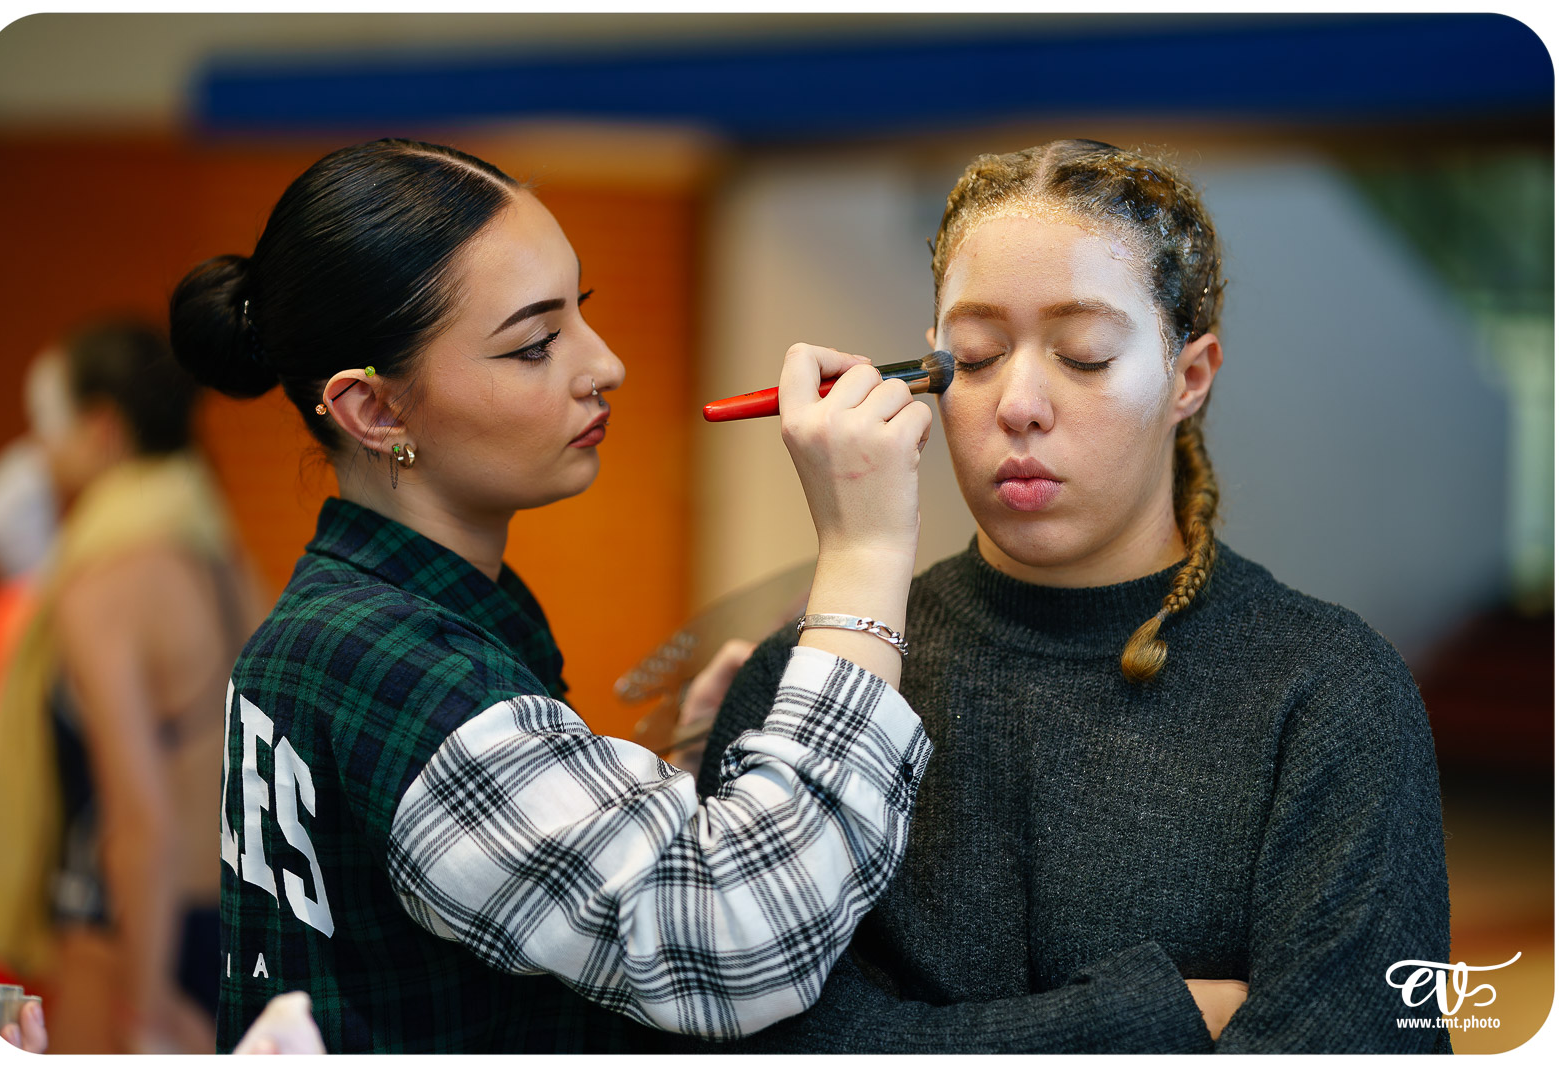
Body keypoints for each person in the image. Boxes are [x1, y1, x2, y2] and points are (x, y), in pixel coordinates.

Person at [167, 138, 935, 1053]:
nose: (603, 363)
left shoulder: (369, 621)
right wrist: (864, 549)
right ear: (376, 411)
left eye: (583, 312)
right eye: (535, 343)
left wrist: (682, 781)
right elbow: (741, 940)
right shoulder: (391, 665)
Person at [687, 139, 1452, 1053]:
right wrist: (1148, 1020)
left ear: (1189, 376)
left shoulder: (1328, 688)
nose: (1018, 402)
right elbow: (748, 1038)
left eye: (1084, 355)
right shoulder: (809, 691)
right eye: (973, 356)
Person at [0, 323, 268, 1053]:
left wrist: (141, 1010)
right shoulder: (231, 569)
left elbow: (139, 816)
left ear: (102, 425)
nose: (42, 451)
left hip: (132, 933)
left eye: (52, 425)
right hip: (235, 925)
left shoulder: (103, 586)